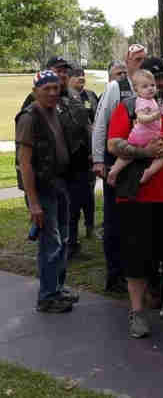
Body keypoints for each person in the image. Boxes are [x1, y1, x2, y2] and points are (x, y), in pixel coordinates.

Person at [106, 58, 163, 338]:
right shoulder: (128, 105)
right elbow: (113, 143)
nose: (158, 83)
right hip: (137, 195)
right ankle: (137, 312)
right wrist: (144, 152)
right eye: (153, 79)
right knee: (136, 258)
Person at [16, 70, 77, 313]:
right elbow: (25, 163)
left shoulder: (57, 111)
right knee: (50, 244)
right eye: (46, 89)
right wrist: (33, 203)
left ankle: (57, 289)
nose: (52, 92)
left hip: (59, 184)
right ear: (35, 92)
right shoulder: (29, 118)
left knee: (62, 240)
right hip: (42, 190)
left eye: (55, 87)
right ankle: (48, 296)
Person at [93, 43, 147, 293]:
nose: (140, 63)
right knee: (115, 220)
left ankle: (138, 272)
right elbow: (100, 125)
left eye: (143, 59)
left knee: (137, 221)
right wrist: (98, 160)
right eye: (136, 59)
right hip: (116, 162)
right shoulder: (117, 87)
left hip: (142, 163)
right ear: (126, 62)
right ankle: (114, 274)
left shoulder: (148, 88)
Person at [106, 70, 163, 188]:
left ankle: (114, 170)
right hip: (143, 135)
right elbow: (141, 118)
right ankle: (149, 172)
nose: (150, 88)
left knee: (128, 157)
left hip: (149, 134)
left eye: (152, 85)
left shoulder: (151, 100)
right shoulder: (141, 101)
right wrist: (154, 116)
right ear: (136, 90)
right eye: (145, 86)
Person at [64, 66, 97, 258]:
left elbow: (95, 123)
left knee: (87, 196)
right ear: (68, 79)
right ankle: (70, 244)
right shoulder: (62, 98)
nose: (81, 79)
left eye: (82, 76)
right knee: (71, 205)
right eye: (76, 76)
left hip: (88, 159)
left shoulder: (90, 96)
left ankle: (88, 228)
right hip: (70, 162)